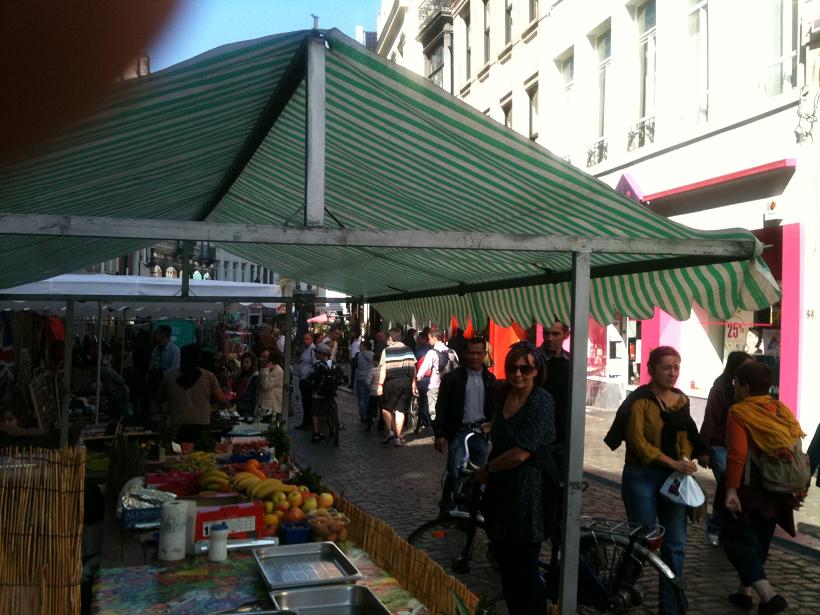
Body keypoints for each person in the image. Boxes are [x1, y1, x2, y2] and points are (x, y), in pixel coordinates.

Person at [619, 346, 706, 615]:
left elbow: (685, 434)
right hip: (641, 475)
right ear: (652, 369)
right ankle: (619, 588)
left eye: (676, 367)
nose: (672, 373)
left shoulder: (681, 400)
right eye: (666, 367)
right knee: (644, 539)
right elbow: (637, 442)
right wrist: (672, 462)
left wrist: (685, 458)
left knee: (675, 543)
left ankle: (671, 607)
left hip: (673, 479)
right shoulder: (640, 400)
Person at [474, 342, 555, 615]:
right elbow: (501, 430)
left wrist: (488, 469)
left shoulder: (542, 401)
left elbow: (521, 453)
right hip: (501, 489)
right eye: (512, 368)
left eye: (525, 368)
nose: (518, 373)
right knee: (506, 565)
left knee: (525, 568)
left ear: (536, 371)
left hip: (527, 490)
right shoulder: (503, 394)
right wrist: (490, 427)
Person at [719, 361, 804, 615]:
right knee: (760, 540)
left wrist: (731, 490)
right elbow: (795, 447)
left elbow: (737, 455)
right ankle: (744, 592)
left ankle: (768, 595)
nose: (735, 387)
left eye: (736, 383)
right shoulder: (781, 410)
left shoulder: (740, 412)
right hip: (777, 486)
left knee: (733, 539)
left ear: (745, 387)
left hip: (749, 487)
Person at [434, 336, 497, 514]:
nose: (474, 357)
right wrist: (440, 434)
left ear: (484, 354)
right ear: (464, 354)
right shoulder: (452, 378)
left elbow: (495, 408)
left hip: (481, 433)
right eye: (471, 353)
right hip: (459, 431)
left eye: (478, 353)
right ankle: (446, 506)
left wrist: (492, 426)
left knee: (476, 474)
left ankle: (465, 507)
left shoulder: (490, 379)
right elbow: (442, 407)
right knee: (454, 472)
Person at [700, 351, 753, 546]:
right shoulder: (720, 389)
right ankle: (714, 527)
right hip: (719, 445)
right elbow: (710, 420)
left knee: (738, 488)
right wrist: (703, 450)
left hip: (740, 446)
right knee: (727, 485)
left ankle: (729, 530)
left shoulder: (749, 389)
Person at [158, 344, 223, 443]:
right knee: (201, 452)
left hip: (177, 426)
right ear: (198, 359)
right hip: (202, 425)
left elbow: (159, 398)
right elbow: (220, 398)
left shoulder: (169, 377)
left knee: (179, 452)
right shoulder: (209, 376)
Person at [377, 327, 417, 446]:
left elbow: (383, 369)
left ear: (390, 338)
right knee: (401, 410)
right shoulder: (408, 350)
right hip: (406, 382)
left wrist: (380, 385)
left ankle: (390, 431)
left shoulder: (387, 351)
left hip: (392, 382)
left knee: (386, 409)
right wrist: (414, 383)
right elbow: (413, 368)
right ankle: (398, 438)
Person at [539, 320, 571, 442]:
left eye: (555, 334)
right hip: (538, 427)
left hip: (563, 427)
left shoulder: (571, 361)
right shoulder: (533, 359)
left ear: (566, 335)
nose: (549, 338)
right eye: (546, 333)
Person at [307, 343, 345, 443]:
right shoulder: (334, 364)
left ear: (321, 354)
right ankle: (323, 433)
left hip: (318, 392)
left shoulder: (317, 365)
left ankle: (316, 433)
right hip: (330, 393)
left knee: (315, 413)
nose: (315, 354)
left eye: (317, 353)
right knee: (325, 413)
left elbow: (310, 377)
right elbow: (342, 375)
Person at [147, 324, 180, 408]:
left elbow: (175, 367)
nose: (154, 335)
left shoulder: (174, 350)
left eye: (156, 333)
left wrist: (162, 374)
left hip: (167, 382)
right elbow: (151, 364)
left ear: (163, 335)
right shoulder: (155, 349)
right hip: (154, 381)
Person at [294, 332, 316, 430]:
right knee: (305, 402)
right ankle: (306, 422)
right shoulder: (306, 349)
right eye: (304, 339)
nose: (305, 341)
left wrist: (308, 378)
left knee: (307, 403)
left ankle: (307, 423)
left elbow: (314, 365)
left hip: (307, 381)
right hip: (303, 379)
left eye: (307, 339)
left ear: (311, 339)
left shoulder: (313, 350)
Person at [257, 348, 284, 421]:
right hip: (264, 407)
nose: (261, 359)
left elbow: (265, 385)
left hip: (272, 408)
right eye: (261, 356)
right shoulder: (264, 368)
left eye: (264, 357)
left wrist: (265, 370)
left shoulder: (277, 370)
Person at [235, 351, 259, 418]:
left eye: (247, 362)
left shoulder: (255, 376)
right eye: (243, 362)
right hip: (241, 406)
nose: (244, 364)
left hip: (249, 408)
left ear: (252, 363)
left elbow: (254, 395)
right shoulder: (243, 375)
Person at [355, 340, 374, 423]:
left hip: (360, 378)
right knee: (368, 397)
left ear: (365, 347)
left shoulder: (358, 355)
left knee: (361, 398)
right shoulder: (373, 355)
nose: (359, 347)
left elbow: (356, 365)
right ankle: (368, 413)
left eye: (361, 345)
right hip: (370, 378)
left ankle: (363, 415)